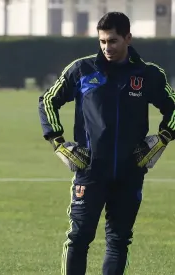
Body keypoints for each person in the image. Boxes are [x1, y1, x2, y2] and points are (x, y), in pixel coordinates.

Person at [38, 12, 175, 275]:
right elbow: (47, 101)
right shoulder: (82, 70)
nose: (106, 48)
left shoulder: (147, 75)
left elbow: (174, 108)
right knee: (78, 238)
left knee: (119, 241)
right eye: (102, 41)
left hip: (131, 170)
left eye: (112, 41)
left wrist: (163, 139)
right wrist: (57, 141)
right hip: (90, 170)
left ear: (128, 38)